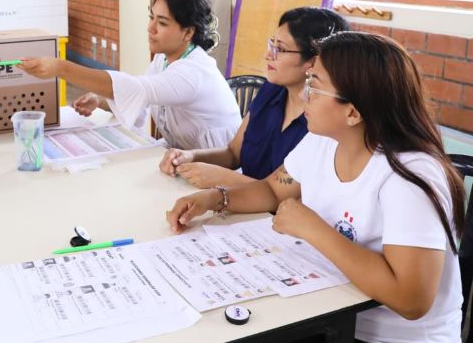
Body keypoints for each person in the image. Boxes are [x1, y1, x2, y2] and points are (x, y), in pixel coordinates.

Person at [166, 32, 465, 341]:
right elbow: (273, 189)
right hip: (328, 312)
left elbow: (411, 299)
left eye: (314, 87)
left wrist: (313, 229)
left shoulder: (409, 176)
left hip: (388, 336)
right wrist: (215, 199)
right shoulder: (323, 139)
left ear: (352, 112)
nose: (303, 95)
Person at [19, 0, 241, 149]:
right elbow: (141, 94)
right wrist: (100, 100)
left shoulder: (193, 72)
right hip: (184, 157)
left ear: (188, 32)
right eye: (151, 17)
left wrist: (61, 68)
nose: (150, 28)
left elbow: (136, 89)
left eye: (162, 23)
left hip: (216, 168)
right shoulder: (163, 60)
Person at [159, 7, 348, 188]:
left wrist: (227, 179)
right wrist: (190, 156)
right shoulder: (271, 90)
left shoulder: (324, 120)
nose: (268, 54)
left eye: (280, 49)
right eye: (271, 44)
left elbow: (292, 196)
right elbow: (233, 154)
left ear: (313, 61)